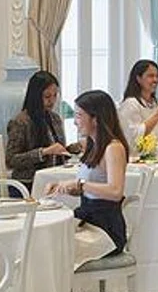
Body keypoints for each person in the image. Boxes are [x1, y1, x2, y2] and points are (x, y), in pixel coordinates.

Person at [45, 90, 131, 263]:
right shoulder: (93, 146)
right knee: (46, 241)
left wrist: (81, 184)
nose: (75, 122)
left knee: (52, 249)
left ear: (96, 119)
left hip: (106, 229)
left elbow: (115, 192)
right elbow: (91, 188)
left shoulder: (113, 148)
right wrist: (65, 187)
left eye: (79, 115)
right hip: (90, 220)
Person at [4, 70, 76, 192]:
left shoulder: (55, 118)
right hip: (27, 184)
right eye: (47, 96)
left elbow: (58, 151)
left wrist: (74, 148)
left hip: (52, 180)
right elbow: (11, 160)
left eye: (55, 95)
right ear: (35, 96)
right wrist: (43, 152)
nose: (52, 101)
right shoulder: (21, 122)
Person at [117, 59, 158, 150]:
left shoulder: (154, 103)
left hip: (155, 153)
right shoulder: (130, 104)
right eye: (150, 76)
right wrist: (157, 116)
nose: (155, 80)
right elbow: (134, 138)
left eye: (157, 76)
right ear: (138, 79)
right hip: (137, 156)